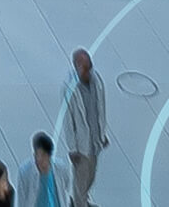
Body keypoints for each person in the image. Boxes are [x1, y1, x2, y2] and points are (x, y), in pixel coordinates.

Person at [62, 49, 109, 207]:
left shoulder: (97, 81)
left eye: (90, 67)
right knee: (80, 181)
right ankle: (79, 204)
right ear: (76, 67)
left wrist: (102, 134)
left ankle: (82, 201)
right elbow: (68, 122)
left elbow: (100, 109)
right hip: (81, 146)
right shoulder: (69, 89)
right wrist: (72, 148)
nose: (89, 71)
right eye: (85, 68)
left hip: (95, 141)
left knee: (91, 176)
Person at [16, 132, 71, 207]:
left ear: (50, 155)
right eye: (40, 155)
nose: (42, 159)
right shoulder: (25, 173)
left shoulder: (61, 168)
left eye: (45, 155)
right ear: (34, 155)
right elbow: (21, 200)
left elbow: (67, 187)